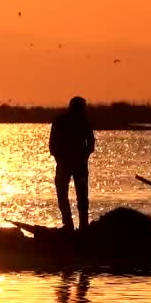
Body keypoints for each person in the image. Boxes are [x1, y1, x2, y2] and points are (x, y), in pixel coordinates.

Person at [49, 96, 95, 231]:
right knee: (75, 195)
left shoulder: (81, 122)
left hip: (73, 164)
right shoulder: (81, 122)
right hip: (68, 164)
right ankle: (73, 224)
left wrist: (83, 157)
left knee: (74, 196)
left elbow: (90, 145)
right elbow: (53, 146)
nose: (84, 110)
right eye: (83, 108)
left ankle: (76, 225)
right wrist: (62, 159)